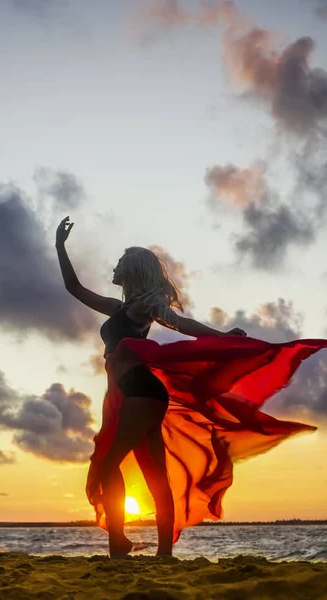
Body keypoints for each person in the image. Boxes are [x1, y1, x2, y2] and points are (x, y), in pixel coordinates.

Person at [55, 216, 326, 558]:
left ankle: (125, 545)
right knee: (150, 473)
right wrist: (60, 247)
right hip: (130, 395)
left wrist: (223, 337)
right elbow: (74, 289)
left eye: (121, 262)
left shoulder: (142, 307)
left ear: (134, 269)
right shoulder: (119, 307)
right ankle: (156, 553)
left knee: (107, 464)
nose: (115, 267)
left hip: (140, 392)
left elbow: (183, 324)